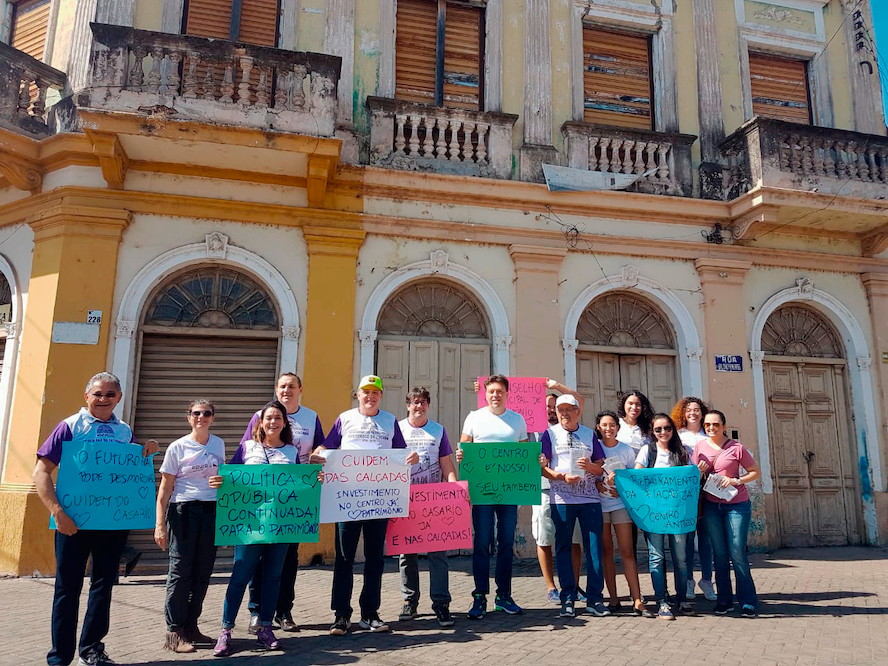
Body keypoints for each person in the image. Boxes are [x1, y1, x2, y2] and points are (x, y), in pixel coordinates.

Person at [32, 372, 158, 666]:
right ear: (86, 396)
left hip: (112, 524)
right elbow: (41, 472)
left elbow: (132, 468)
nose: (103, 400)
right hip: (72, 523)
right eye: (98, 394)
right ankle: (59, 657)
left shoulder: (124, 431)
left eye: (110, 395)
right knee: (67, 589)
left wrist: (146, 449)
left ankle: (91, 649)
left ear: (119, 398)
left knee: (103, 586)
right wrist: (57, 513)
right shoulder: (70, 427)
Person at [210, 400, 318, 657]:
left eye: (277, 418)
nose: (273, 422)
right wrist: (219, 481)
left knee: (272, 577)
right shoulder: (247, 448)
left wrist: (316, 480)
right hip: (249, 525)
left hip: (281, 526)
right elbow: (232, 475)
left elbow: (300, 487)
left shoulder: (291, 452)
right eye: (268, 418)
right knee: (240, 576)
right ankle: (225, 631)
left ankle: (265, 628)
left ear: (284, 423)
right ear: (260, 422)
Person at [313, 375, 418, 636]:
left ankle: (370, 613)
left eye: (375, 392)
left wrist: (412, 457)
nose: (370, 396)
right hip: (346, 501)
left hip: (378, 503)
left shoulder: (389, 421)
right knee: (344, 559)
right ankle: (341, 615)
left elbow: (401, 454)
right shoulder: (345, 418)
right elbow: (326, 446)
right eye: (365, 392)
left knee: (374, 560)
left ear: (381, 396)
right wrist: (317, 455)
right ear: (357, 395)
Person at [242, 373, 325, 634]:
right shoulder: (260, 414)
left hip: (294, 499)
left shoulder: (311, 417)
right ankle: (256, 612)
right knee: (258, 559)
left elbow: (320, 447)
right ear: (276, 390)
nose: (286, 390)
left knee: (288, 559)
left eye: (291, 386)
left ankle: (284, 611)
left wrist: (316, 465)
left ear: (300, 389)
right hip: (259, 502)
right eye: (282, 386)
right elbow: (245, 449)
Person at [155, 399, 225, 653]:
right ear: (188, 417)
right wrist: (159, 524)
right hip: (184, 510)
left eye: (206, 414)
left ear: (212, 418)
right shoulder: (177, 447)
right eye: (196, 413)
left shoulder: (218, 444)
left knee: (202, 572)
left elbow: (223, 478)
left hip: (211, 511)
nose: (201, 417)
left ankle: (192, 627)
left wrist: (221, 481)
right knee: (181, 571)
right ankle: (175, 632)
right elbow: (165, 488)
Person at [458, 374, 528, 620]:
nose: (495, 395)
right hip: (482, 490)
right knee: (482, 542)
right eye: (491, 391)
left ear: (507, 394)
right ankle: (479, 596)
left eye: (499, 391)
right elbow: (464, 447)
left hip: (510, 492)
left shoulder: (517, 420)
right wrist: (460, 456)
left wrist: (535, 461)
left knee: (507, 543)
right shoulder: (474, 417)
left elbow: (524, 454)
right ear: (485, 394)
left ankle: (504, 596)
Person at [540, 395, 609, 618]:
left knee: (594, 548)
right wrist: (560, 476)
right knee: (563, 548)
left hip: (589, 499)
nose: (564, 414)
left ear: (578, 411)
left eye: (569, 409)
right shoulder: (549, 434)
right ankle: (567, 597)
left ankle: (595, 599)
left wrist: (590, 466)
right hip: (561, 498)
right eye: (561, 410)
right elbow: (543, 468)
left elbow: (601, 468)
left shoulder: (589, 434)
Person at [396, 387, 458, 627]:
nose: (419, 406)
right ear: (407, 405)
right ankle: (410, 602)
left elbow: (446, 464)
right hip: (405, 499)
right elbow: (388, 462)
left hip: (434, 500)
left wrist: (455, 489)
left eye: (423, 402)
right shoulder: (397, 429)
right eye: (414, 402)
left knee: (438, 555)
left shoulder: (438, 430)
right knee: (406, 554)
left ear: (428, 405)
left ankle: (441, 604)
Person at [694, 409, 762, 618]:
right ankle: (724, 600)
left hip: (736, 505)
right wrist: (700, 471)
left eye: (715, 424)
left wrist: (736, 480)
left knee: (737, 552)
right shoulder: (700, 447)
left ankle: (748, 601)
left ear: (724, 426)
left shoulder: (736, 448)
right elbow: (694, 475)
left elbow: (755, 472)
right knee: (719, 554)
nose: (711, 428)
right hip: (712, 506)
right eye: (707, 425)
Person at [634, 413, 695, 620]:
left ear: (673, 429)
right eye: (658, 429)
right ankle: (662, 600)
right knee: (656, 557)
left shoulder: (683, 452)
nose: (663, 433)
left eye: (667, 428)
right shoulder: (647, 451)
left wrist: (699, 471)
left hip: (678, 513)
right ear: (653, 432)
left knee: (681, 558)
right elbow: (637, 476)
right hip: (653, 514)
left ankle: (682, 598)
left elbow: (692, 477)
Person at [532, 383, 584, 605]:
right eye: (548, 406)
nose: (552, 410)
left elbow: (579, 400)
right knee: (545, 537)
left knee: (573, 539)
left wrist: (558, 387)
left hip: (571, 491)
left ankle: (573, 584)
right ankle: (551, 586)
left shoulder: (573, 427)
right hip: (543, 489)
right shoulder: (531, 430)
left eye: (556, 406)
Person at [595, 410, 645, 615]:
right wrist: (598, 484)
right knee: (606, 552)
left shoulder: (625, 450)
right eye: (604, 425)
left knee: (626, 551)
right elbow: (589, 472)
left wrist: (621, 489)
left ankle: (637, 598)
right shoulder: (594, 448)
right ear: (598, 427)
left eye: (612, 425)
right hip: (599, 505)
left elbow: (634, 477)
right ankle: (613, 599)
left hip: (620, 505)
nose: (608, 428)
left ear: (618, 427)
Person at [671, 396, 716, 602]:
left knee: (706, 538)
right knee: (687, 538)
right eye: (688, 410)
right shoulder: (677, 436)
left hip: (708, 490)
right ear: (682, 413)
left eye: (697, 409)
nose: (693, 413)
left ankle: (707, 580)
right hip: (686, 492)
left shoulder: (709, 435)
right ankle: (688, 580)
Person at [617, 390, 655, 562]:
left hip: (645, 486)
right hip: (622, 485)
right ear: (624, 405)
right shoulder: (616, 425)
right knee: (628, 529)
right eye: (630, 403)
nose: (634, 407)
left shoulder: (650, 428)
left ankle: (655, 565)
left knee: (651, 528)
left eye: (638, 404)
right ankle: (632, 567)